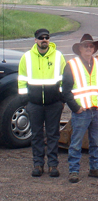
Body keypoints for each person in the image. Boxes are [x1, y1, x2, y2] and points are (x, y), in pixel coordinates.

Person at [62, 34, 98, 183]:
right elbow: (65, 90)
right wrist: (75, 108)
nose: (89, 48)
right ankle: (74, 171)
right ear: (80, 49)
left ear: (94, 48)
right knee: (76, 143)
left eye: (91, 46)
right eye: (86, 46)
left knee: (95, 143)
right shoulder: (72, 65)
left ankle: (94, 168)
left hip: (96, 111)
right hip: (81, 112)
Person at [18, 28, 66, 177]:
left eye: (46, 37)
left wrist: (61, 99)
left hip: (54, 104)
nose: (44, 40)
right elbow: (21, 81)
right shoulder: (26, 57)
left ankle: (53, 165)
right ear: (35, 40)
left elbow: (65, 80)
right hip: (34, 104)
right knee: (37, 135)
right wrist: (26, 101)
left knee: (53, 135)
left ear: (49, 39)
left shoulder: (58, 57)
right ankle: (38, 164)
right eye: (41, 38)